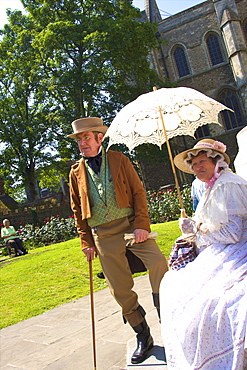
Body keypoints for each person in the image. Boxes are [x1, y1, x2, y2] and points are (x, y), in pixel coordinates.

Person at [67, 117, 168, 364]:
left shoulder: (119, 160)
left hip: (132, 226)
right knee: (120, 288)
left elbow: (138, 192)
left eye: (86, 138)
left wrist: (142, 226)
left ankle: (170, 320)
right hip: (103, 234)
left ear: (99, 138)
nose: (82, 143)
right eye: (79, 140)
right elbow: (77, 210)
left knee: (158, 263)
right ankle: (143, 336)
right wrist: (86, 242)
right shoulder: (75, 172)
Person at [160, 138, 247, 369]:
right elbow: (212, 223)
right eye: (194, 164)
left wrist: (197, 231)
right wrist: (192, 225)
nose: (197, 168)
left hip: (235, 250)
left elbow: (232, 234)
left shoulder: (227, 185)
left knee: (204, 301)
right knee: (172, 285)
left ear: (216, 161)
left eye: (202, 162)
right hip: (219, 249)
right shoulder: (211, 186)